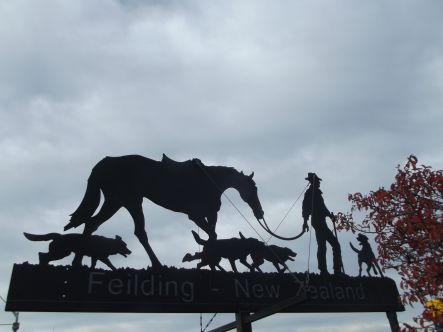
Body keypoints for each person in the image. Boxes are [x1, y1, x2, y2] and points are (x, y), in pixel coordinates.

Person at [302, 173, 343, 275]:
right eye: (318, 181)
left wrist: (329, 215)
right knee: (327, 245)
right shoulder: (310, 193)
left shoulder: (317, 193)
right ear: (314, 182)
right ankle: (327, 270)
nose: (320, 182)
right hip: (317, 221)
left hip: (321, 221)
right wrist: (305, 222)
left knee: (327, 245)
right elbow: (305, 208)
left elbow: (322, 207)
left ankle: (332, 270)